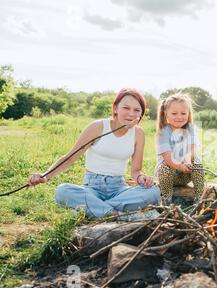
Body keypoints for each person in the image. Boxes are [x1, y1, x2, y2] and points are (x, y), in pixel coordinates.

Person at [28, 88, 161, 220]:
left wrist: (141, 179)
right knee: (62, 191)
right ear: (115, 108)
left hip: (118, 189)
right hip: (92, 188)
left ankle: (94, 211)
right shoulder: (98, 127)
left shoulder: (138, 134)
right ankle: (122, 216)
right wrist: (45, 176)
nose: (131, 114)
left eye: (137, 110)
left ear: (141, 114)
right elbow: (69, 158)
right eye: (126, 108)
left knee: (154, 191)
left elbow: (136, 171)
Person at [155, 93, 205, 204]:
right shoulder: (163, 132)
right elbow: (167, 157)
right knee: (165, 167)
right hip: (169, 176)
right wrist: (180, 166)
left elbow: (192, 148)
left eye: (183, 113)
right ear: (166, 113)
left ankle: (199, 198)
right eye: (174, 113)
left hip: (186, 174)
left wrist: (187, 161)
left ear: (188, 114)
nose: (179, 117)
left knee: (197, 163)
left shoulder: (190, 128)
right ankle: (166, 199)